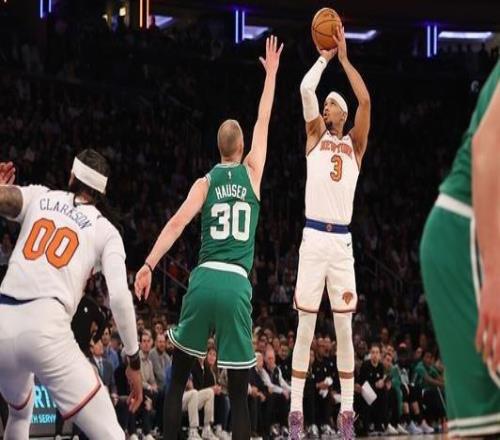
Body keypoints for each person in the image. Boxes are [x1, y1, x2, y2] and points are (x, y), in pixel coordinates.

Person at [134, 36, 283, 440]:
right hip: (235, 284)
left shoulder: (204, 182)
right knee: (238, 393)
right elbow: (264, 119)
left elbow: (175, 224)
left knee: (177, 381)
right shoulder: (253, 173)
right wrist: (270, 75)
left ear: (218, 149)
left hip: (202, 280)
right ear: (242, 147)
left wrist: (148, 264)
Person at [0, 150, 142, 440]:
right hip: (46, 326)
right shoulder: (105, 230)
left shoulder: (41, 196)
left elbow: (6, 198)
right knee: (112, 434)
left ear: (72, 177)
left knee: (19, 413)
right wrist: (134, 360)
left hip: (3, 320)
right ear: (102, 192)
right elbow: (119, 298)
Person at [289, 25, 371, 440]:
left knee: (343, 330)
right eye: (324, 106)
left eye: (331, 105)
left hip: (341, 243)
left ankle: (347, 414)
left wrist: (345, 60)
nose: (324, 108)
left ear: (343, 113)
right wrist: (324, 57)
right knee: (304, 327)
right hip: (313, 239)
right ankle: (295, 414)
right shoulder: (315, 136)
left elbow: (366, 100)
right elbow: (306, 88)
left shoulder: (355, 144)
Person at [420, 62, 500, 437]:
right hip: (467, 233)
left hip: (470, 237)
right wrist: (495, 275)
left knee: (479, 427)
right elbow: (485, 150)